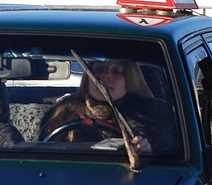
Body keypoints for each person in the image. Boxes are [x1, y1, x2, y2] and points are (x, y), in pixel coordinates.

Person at [38, 58, 174, 155]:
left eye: (117, 71)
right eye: (98, 69)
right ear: (87, 78)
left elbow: (169, 171)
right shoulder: (61, 112)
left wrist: (147, 154)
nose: (106, 75)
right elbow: (41, 161)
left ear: (131, 79)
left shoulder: (155, 118)